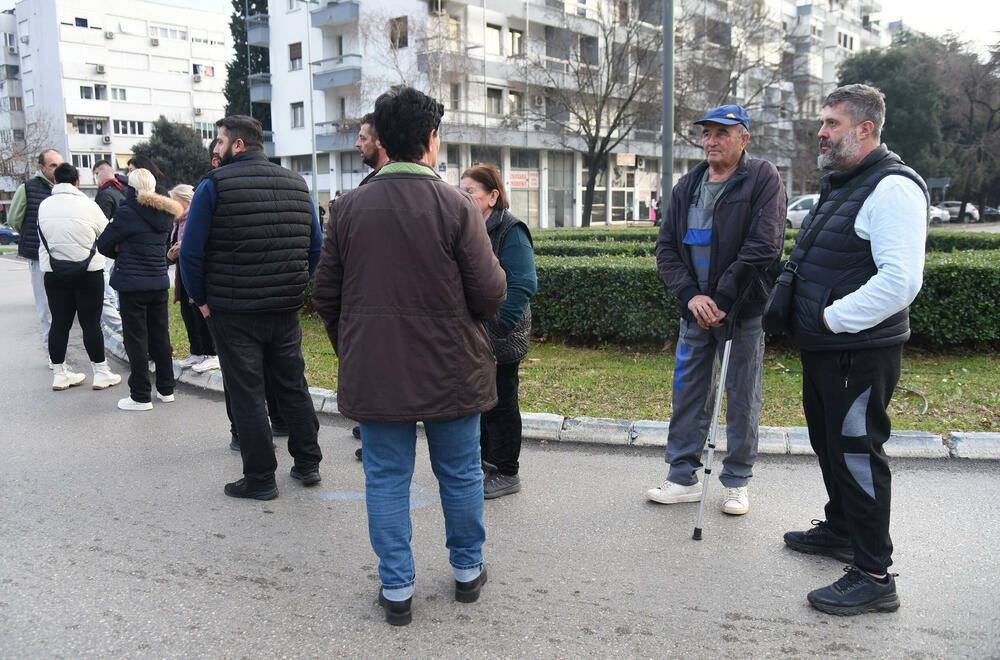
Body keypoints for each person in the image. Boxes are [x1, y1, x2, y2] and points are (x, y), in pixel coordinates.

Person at [312, 86, 506, 626]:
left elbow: (325, 295)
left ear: (384, 140)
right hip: (452, 371)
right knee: (462, 474)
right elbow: (491, 295)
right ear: (428, 139)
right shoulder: (456, 206)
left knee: (386, 478)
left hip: (377, 372)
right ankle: (467, 571)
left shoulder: (348, 209)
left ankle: (397, 588)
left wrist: (355, 344)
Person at [782, 84, 927, 616]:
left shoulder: (892, 188)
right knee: (829, 443)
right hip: (827, 349)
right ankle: (842, 529)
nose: (821, 132)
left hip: (857, 348)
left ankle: (874, 573)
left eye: (832, 123)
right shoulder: (847, 183)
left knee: (857, 453)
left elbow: (900, 280)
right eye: (823, 122)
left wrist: (833, 318)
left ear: (865, 129)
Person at [646, 104, 785, 516]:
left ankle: (737, 481)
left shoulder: (762, 177)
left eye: (721, 133)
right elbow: (667, 249)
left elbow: (764, 245)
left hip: (742, 312)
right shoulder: (687, 185)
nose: (711, 141)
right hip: (696, 310)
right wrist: (692, 296)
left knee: (742, 395)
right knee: (687, 393)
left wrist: (722, 300)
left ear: (744, 138)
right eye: (706, 133)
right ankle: (681, 477)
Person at [179, 114, 323, 501]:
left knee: (247, 393)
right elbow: (315, 247)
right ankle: (308, 462)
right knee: (292, 384)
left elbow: (190, 253)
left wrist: (202, 302)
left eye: (219, 141)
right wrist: (295, 284)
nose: (215, 148)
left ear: (238, 145)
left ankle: (260, 478)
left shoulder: (213, 185)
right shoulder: (297, 183)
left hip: (233, 310)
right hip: (284, 307)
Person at [459, 163, 537, 499]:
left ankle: (507, 471)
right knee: (480, 400)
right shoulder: (468, 226)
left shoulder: (510, 229)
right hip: (476, 330)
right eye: (460, 192)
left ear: (493, 195)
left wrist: (498, 326)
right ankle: (486, 463)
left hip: (502, 333)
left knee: (502, 401)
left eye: (470, 192)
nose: (463, 197)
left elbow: (523, 283)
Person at [97, 168, 179, 411]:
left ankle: (140, 395)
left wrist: (120, 249)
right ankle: (166, 389)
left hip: (132, 285)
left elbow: (103, 244)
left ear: (131, 189)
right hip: (158, 281)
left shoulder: (127, 212)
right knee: (160, 337)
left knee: (136, 340)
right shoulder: (166, 213)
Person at [37, 163, 121, 391]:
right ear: (78, 182)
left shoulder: (44, 206)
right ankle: (101, 373)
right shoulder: (88, 205)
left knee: (60, 324)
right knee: (91, 324)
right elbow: (107, 234)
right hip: (88, 273)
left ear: (55, 181)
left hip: (54, 274)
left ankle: (59, 374)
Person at [350, 111, 391, 454]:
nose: (358, 144)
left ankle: (378, 437)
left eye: (363, 138)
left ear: (380, 142)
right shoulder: (364, 191)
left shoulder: (371, 195)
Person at [8, 149, 63, 357]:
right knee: (46, 308)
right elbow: (14, 219)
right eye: (52, 165)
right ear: (41, 168)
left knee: (63, 307)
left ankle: (60, 351)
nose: (57, 169)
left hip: (62, 255)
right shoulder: (28, 188)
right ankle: (53, 355)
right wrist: (33, 235)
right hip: (38, 256)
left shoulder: (63, 188)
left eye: (59, 164)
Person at [166, 184, 220, 373]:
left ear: (185, 201)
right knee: (187, 312)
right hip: (182, 272)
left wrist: (185, 246)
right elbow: (172, 245)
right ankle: (196, 351)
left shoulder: (196, 217)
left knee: (201, 311)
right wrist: (172, 254)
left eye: (174, 200)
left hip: (198, 271)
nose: (171, 205)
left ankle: (212, 354)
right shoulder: (176, 221)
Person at [91, 160, 125, 336]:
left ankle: (112, 320)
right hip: (119, 244)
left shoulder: (104, 195)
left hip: (108, 245)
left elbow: (101, 224)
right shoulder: (120, 191)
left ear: (99, 174)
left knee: (105, 280)